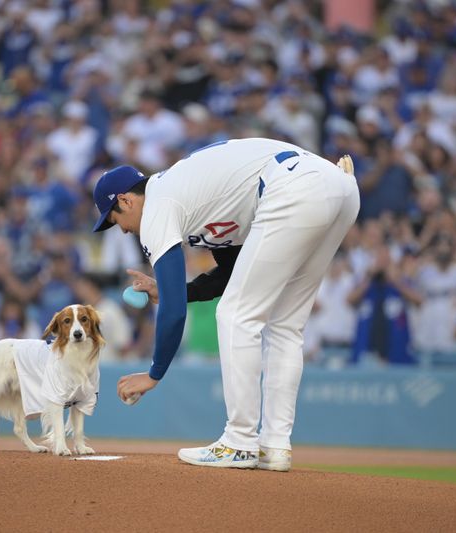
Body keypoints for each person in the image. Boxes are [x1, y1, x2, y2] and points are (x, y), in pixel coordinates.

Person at [91, 138, 360, 470]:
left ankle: (240, 441)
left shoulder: (159, 203)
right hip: (339, 188)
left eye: (114, 220)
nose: (121, 230)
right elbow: (231, 273)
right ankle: (274, 446)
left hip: (295, 186)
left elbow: (173, 312)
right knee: (284, 325)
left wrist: (154, 374)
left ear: (126, 200)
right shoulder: (196, 198)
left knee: (236, 315)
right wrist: (178, 291)